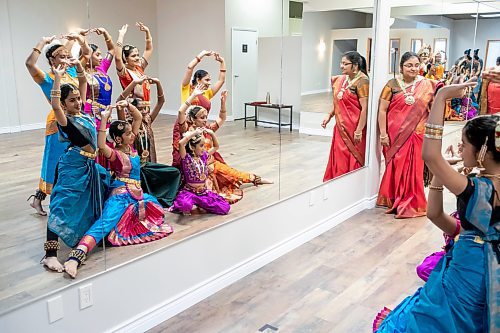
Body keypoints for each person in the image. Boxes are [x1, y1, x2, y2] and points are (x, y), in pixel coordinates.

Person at [374, 80, 500, 333]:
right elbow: (436, 216)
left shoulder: (478, 188)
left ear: (483, 149)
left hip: (469, 272)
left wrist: (441, 97)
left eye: (464, 144)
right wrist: (442, 177)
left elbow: (430, 155)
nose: (461, 148)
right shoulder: (475, 185)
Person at [64, 100, 173, 279]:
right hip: (121, 195)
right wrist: (105, 119)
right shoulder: (115, 154)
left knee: (156, 208)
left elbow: (137, 118)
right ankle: (76, 257)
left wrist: (127, 105)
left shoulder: (132, 149)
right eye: (128, 134)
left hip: (137, 195)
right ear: (117, 139)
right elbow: (100, 145)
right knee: (105, 222)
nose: (132, 135)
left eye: (131, 132)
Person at [43, 60, 109, 273]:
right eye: (72, 101)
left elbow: (82, 82)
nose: (78, 103)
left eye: (79, 99)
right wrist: (58, 78)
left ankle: (83, 237)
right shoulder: (65, 119)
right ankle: (50, 255)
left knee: (86, 203)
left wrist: (79, 65)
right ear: (64, 104)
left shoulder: (85, 114)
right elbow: (54, 104)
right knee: (61, 205)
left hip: (88, 165)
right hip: (72, 165)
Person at [25, 32, 91, 215]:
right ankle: (43, 199)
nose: (66, 58)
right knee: (54, 163)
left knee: (75, 160)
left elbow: (84, 60)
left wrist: (75, 37)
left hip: (76, 120)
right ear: (51, 60)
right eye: (61, 56)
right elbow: (29, 64)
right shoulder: (46, 78)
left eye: (66, 55)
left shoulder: (70, 71)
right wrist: (43, 41)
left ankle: (72, 199)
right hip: (57, 124)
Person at [176, 87, 271, 203]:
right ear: (193, 119)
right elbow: (181, 112)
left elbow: (221, 118)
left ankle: (256, 179)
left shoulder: (207, 129)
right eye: (202, 118)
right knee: (206, 196)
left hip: (211, 163)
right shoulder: (187, 130)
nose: (205, 120)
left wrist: (223, 103)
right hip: (195, 170)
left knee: (235, 174)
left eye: (206, 117)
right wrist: (193, 96)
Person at [377, 52, 437, 218]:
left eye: (416, 65)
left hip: (417, 133)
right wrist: (383, 133)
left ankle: (412, 202)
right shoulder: (392, 84)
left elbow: (436, 108)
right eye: (409, 65)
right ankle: (393, 198)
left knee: (414, 167)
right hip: (394, 133)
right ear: (401, 67)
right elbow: (382, 110)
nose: (413, 68)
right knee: (395, 164)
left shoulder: (428, 84)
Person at [118, 75, 181, 207]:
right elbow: (120, 101)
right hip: (136, 170)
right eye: (139, 109)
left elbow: (161, 101)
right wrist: (134, 83)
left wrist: (158, 83)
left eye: (145, 109)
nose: (143, 112)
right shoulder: (127, 126)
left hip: (149, 165)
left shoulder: (148, 121)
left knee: (174, 173)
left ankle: (163, 198)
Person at [321, 51, 370, 181]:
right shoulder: (341, 80)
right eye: (341, 63)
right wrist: (329, 115)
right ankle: (337, 183)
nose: (341, 66)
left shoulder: (363, 82)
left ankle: (351, 186)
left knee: (353, 157)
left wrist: (359, 130)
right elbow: (338, 102)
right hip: (341, 127)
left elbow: (365, 108)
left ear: (355, 65)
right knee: (339, 157)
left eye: (345, 63)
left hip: (354, 129)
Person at [115, 22, 159, 162]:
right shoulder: (125, 73)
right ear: (125, 59)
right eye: (133, 56)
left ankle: (150, 174)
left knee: (148, 144)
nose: (137, 58)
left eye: (137, 55)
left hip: (145, 114)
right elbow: (117, 58)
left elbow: (149, 49)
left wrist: (147, 33)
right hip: (133, 114)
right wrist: (121, 36)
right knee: (138, 144)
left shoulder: (139, 69)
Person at [169, 128, 230, 215]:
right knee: (184, 205)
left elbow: (216, 147)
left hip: (203, 193)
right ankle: (193, 204)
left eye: (204, 145)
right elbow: (181, 143)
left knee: (224, 207)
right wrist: (194, 133)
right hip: (190, 193)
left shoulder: (204, 156)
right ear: (192, 147)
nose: (204, 148)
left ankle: (201, 203)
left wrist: (212, 134)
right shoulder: (186, 158)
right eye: (201, 146)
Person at [80, 27, 115, 168]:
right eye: (98, 55)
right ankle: (97, 175)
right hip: (93, 115)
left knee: (109, 143)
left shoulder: (102, 68)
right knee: (98, 144)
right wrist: (89, 107)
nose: (101, 58)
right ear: (89, 57)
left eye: (101, 55)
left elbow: (112, 50)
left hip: (107, 114)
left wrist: (106, 33)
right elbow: (80, 97)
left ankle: (109, 173)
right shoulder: (82, 73)